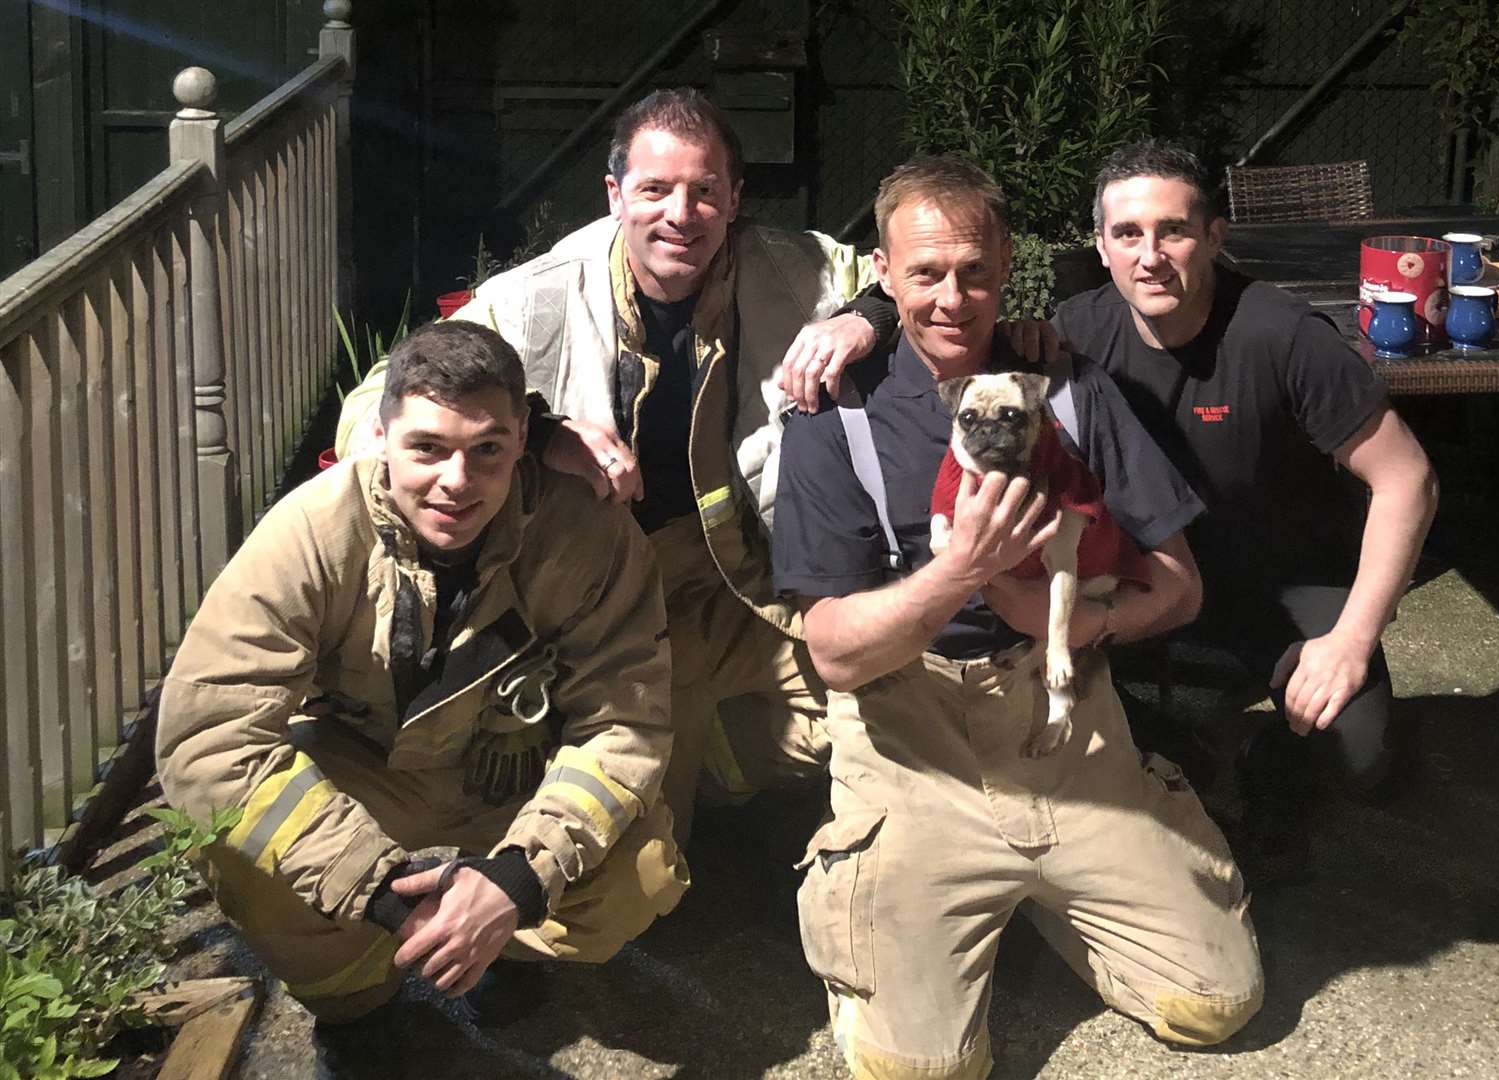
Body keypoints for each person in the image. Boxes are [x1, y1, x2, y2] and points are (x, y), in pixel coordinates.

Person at [772, 154, 1262, 1078]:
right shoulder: (834, 417)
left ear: (1005, 270)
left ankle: (1052, 888)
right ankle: (917, 910)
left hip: (1064, 717)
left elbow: (1181, 588)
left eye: (974, 272)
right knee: (922, 1071)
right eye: (924, 274)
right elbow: (833, 654)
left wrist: (1069, 625)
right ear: (882, 274)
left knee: (1217, 1004)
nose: (953, 298)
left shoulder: (1068, 391)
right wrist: (960, 572)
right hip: (913, 735)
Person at [337, 88, 894, 842]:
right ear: (615, 195)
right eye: (655, 189)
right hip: (607, 582)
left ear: (735, 198)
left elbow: (910, 275)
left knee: (877, 696)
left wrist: (866, 318)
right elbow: (377, 411)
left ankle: (708, 763)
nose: (680, 213)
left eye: (704, 191)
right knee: (637, 843)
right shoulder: (538, 298)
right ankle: (666, 775)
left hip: (740, 573)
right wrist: (538, 430)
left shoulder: (796, 268)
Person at [157, 321, 687, 1023]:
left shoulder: (587, 532)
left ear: (525, 440)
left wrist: (520, 877)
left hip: (514, 769)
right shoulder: (312, 531)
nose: (456, 482)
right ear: (382, 436)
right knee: (243, 852)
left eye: (487, 450)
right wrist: (382, 892)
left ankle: (494, 938)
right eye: (427, 449)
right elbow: (209, 737)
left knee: (641, 868)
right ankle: (357, 988)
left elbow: (625, 720)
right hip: (372, 764)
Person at [1045, 140, 1440, 873]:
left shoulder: (1281, 335)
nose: (1151, 255)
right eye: (1128, 234)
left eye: (1175, 230)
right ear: (1101, 248)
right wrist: (865, 317)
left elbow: (1407, 479)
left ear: (1214, 237)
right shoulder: (1076, 332)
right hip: (1154, 577)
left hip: (1283, 581)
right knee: (1050, 702)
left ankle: (1265, 753)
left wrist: (1352, 639)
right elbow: (949, 340)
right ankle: (1181, 741)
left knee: (1365, 761)